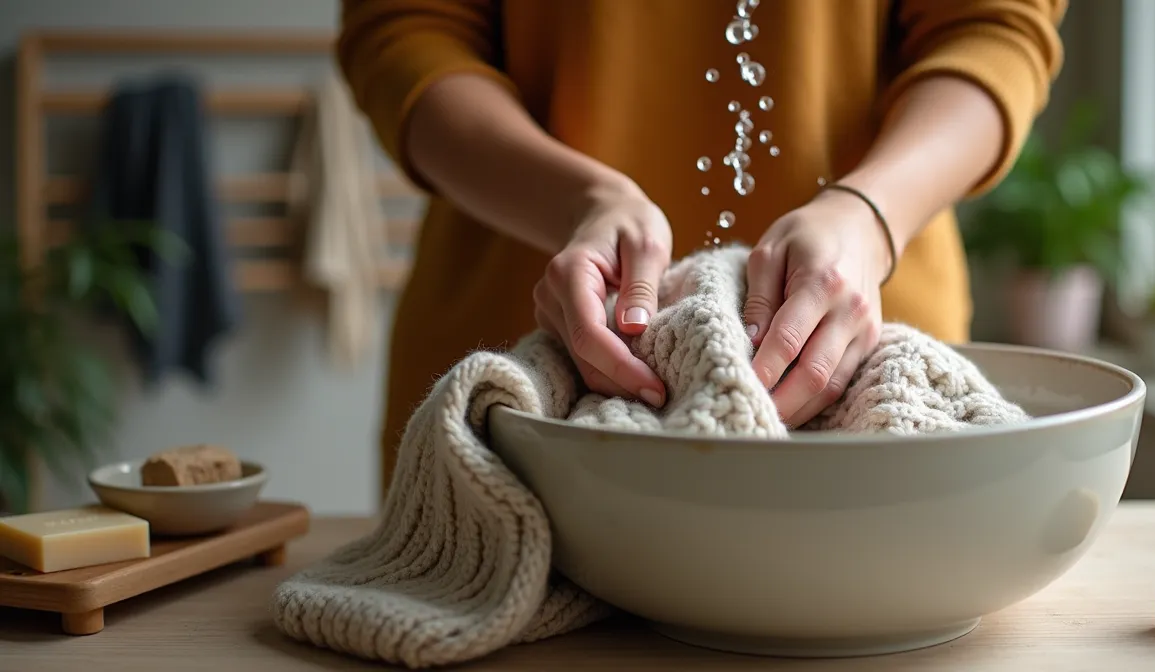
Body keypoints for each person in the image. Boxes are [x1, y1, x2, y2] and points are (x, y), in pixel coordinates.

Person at [335, 0, 1066, 495]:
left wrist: (871, 215)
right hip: (522, 402)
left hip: (864, 370)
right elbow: (407, 30)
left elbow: (995, 25)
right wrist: (578, 204)